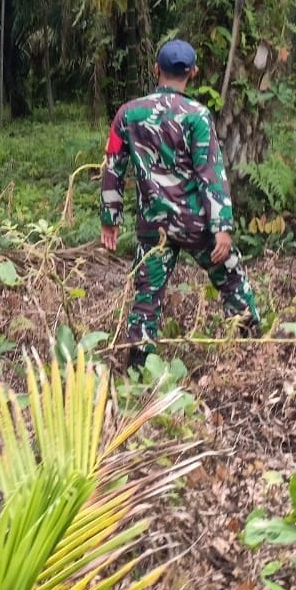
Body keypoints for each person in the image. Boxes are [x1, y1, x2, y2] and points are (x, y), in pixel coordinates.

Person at [99, 38, 261, 370]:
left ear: (156, 69)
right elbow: (211, 173)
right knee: (231, 280)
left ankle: (138, 367)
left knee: (147, 295)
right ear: (193, 73)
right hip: (196, 224)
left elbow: (113, 165)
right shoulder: (197, 116)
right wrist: (222, 228)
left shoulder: (128, 114)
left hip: (153, 224)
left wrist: (109, 218)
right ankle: (251, 346)